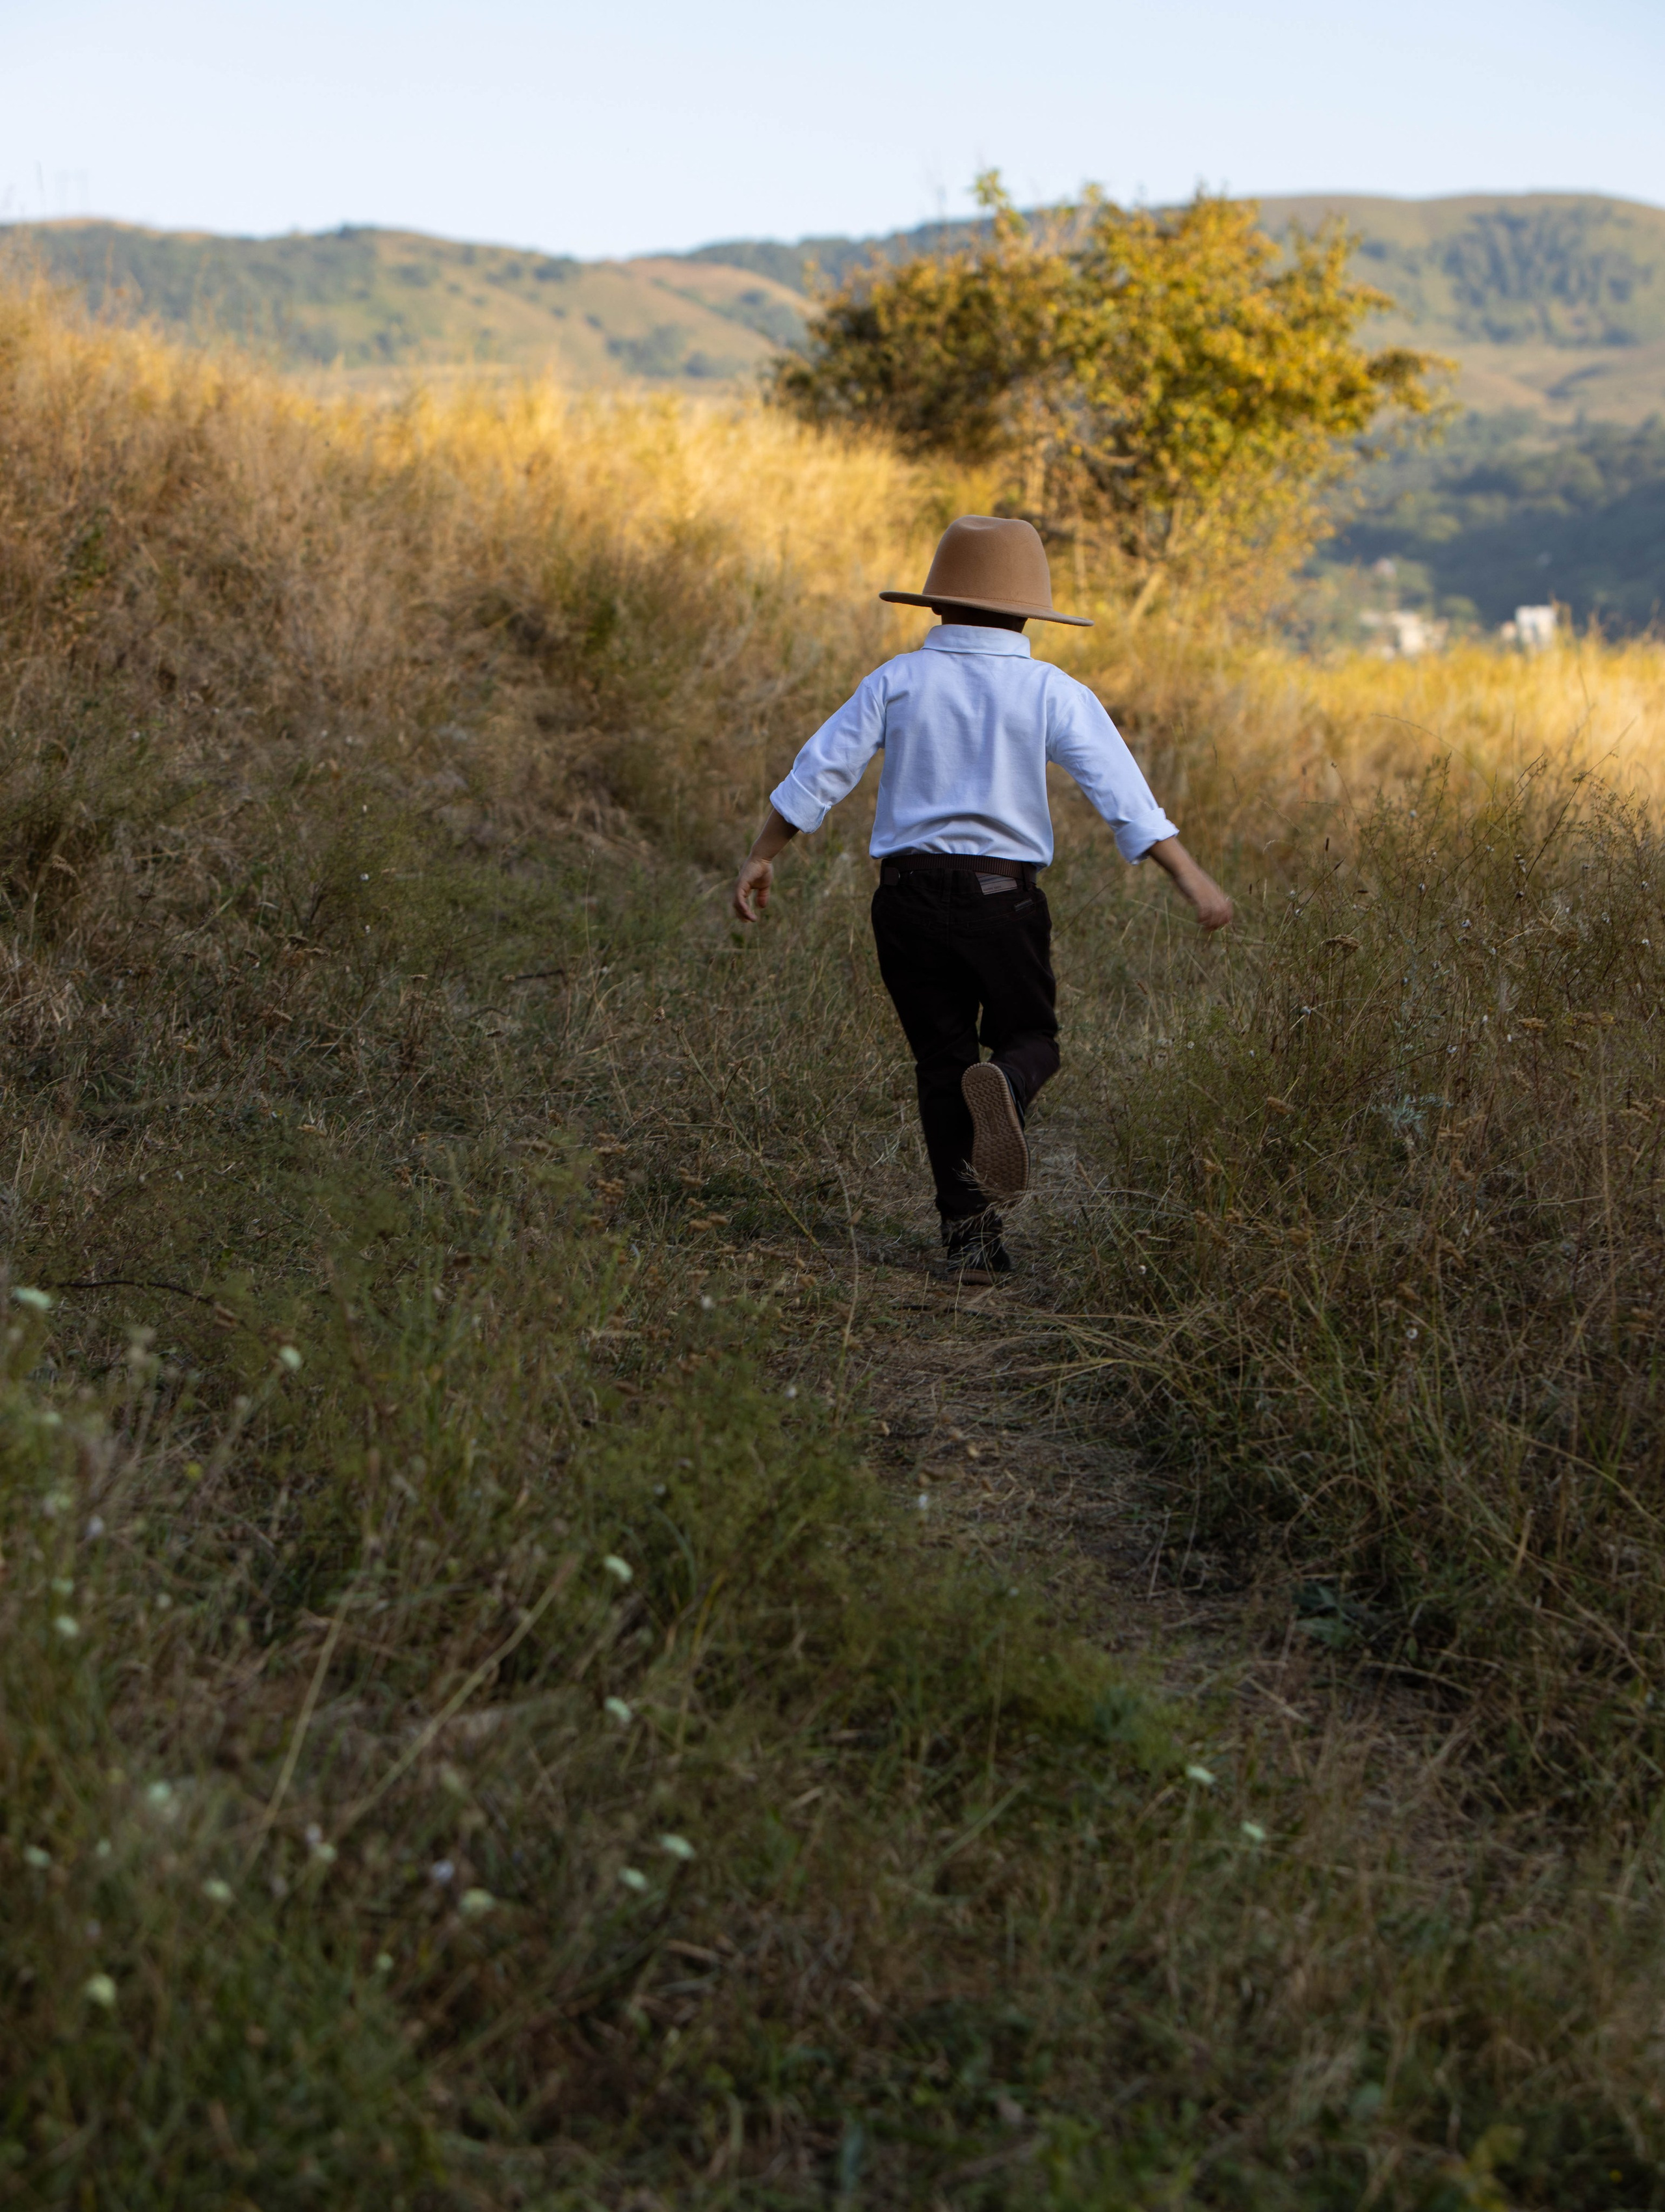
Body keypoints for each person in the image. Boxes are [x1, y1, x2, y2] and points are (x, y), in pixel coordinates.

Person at [732, 514, 1232, 1283]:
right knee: (1031, 1038)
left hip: (904, 897)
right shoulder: (1052, 690)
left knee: (942, 1062)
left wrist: (764, 853)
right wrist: (1190, 877)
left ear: (936, 604)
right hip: (1003, 900)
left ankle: (969, 1242)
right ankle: (1010, 1082)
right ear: (1031, 615)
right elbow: (1122, 796)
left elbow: (820, 772)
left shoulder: (897, 678)